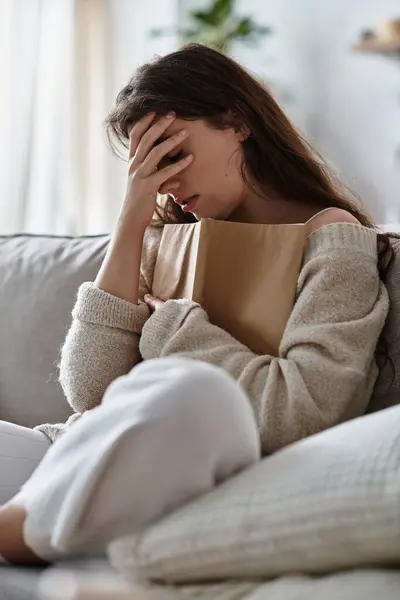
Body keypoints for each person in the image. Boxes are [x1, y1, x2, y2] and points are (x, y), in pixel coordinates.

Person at [0, 43, 392, 565]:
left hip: (175, 468)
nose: (166, 180)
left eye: (169, 152)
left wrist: (175, 330)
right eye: (146, 163)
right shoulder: (169, 241)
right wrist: (132, 220)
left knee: (197, 393)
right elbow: (90, 394)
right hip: (68, 454)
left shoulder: (332, 242)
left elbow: (305, 412)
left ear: (237, 121)